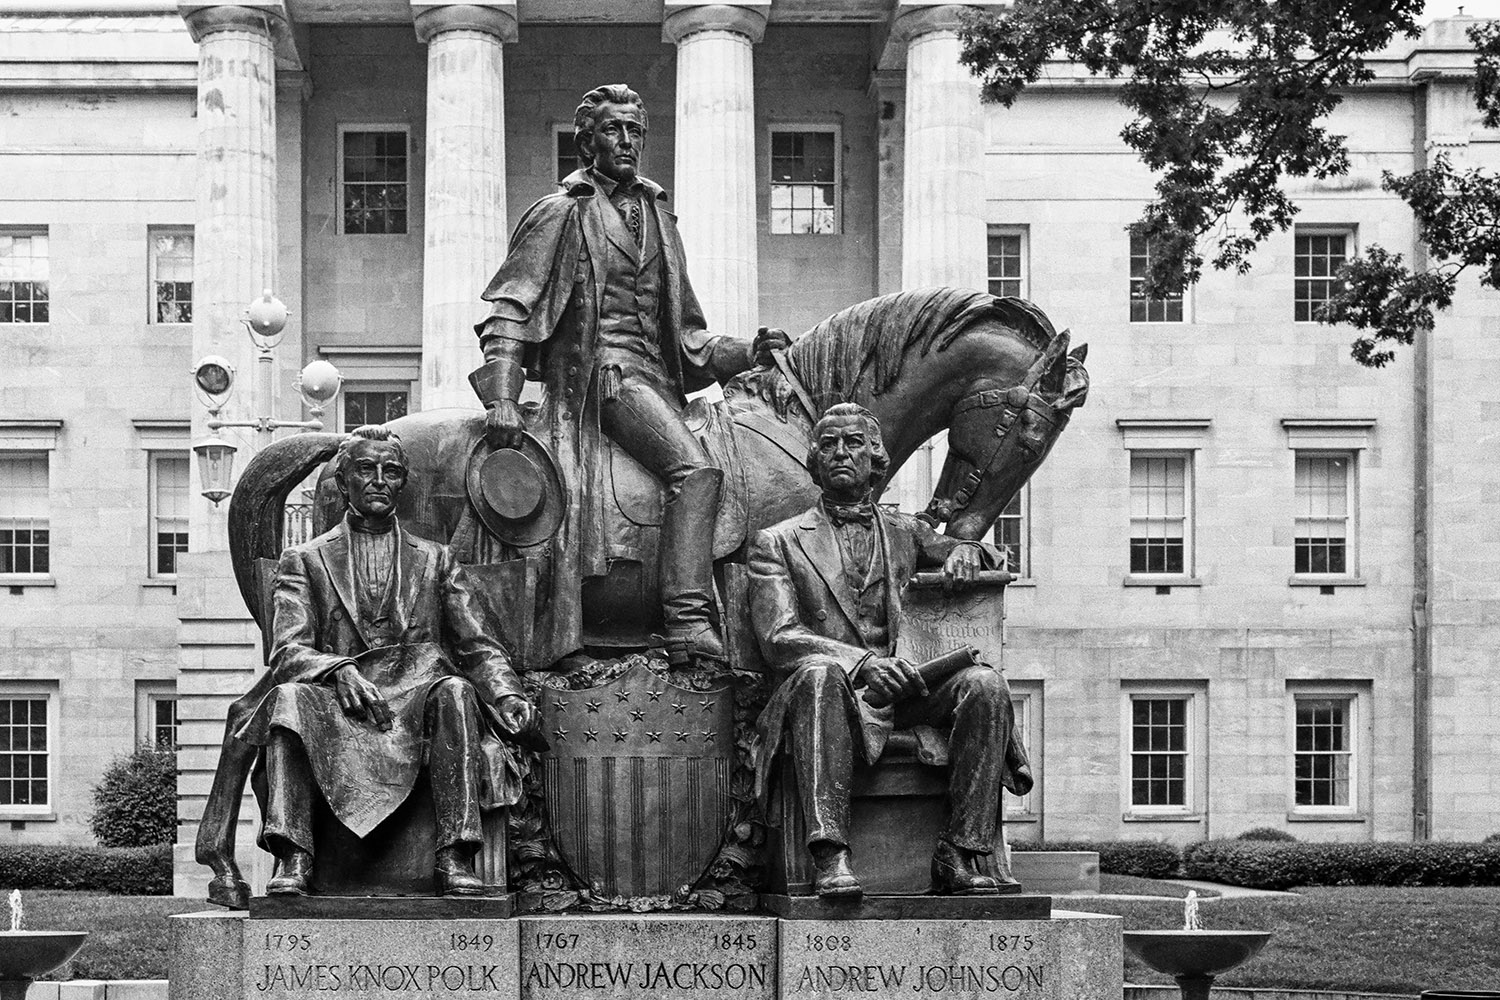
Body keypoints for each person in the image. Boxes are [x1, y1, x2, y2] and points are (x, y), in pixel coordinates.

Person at [471, 83, 789, 669]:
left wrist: (751, 351)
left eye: (635, 131)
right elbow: (512, 305)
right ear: (586, 140)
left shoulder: (659, 218)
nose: (626, 141)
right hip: (602, 381)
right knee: (696, 469)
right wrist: (504, 394)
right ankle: (689, 619)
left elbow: (690, 339)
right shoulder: (561, 211)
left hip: (656, 380)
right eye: (613, 129)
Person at [233, 425, 538, 897]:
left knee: (456, 690)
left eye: (391, 471)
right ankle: (293, 856)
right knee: (289, 700)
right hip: (338, 699)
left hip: (416, 696)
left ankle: (455, 855)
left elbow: (476, 644)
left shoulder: (435, 559)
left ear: (401, 483)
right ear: (343, 482)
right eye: (366, 469)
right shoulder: (304, 560)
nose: (379, 479)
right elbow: (288, 651)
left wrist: (506, 691)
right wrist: (338, 669)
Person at [748, 403, 1032, 898]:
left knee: (985, 685)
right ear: (814, 461)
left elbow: (974, 552)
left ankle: (960, 852)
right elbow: (779, 637)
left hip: (904, 693)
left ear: (876, 458)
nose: (841, 453)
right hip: (832, 693)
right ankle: (830, 854)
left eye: (854, 443)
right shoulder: (778, 542)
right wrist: (864, 664)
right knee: (819, 675)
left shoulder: (904, 530)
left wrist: (966, 549)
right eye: (829, 444)